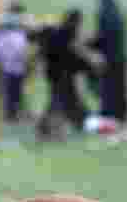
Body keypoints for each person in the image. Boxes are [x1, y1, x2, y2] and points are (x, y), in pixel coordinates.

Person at [34, 8, 103, 139]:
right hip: (62, 75)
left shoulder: (57, 32)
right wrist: (90, 66)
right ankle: (48, 129)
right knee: (62, 102)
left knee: (61, 101)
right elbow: (74, 56)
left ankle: (47, 128)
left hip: (54, 74)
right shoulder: (67, 35)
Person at [87, 0, 127, 124]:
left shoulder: (103, 16)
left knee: (108, 88)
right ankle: (121, 114)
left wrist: (88, 43)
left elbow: (102, 38)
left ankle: (108, 112)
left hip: (108, 60)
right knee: (120, 88)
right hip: (121, 59)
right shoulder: (119, 16)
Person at [0, 0, 30, 124]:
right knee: (15, 92)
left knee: (11, 92)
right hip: (16, 67)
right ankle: (12, 115)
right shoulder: (18, 34)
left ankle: (12, 115)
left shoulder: (3, 33)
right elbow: (22, 52)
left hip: (8, 67)